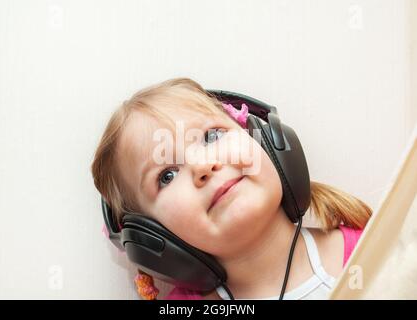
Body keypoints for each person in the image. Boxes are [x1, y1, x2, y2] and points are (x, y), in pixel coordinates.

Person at [91, 78, 372, 300]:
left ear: (270, 143)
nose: (203, 165)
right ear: (151, 235)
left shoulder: (373, 247)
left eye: (212, 136)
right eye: (167, 176)